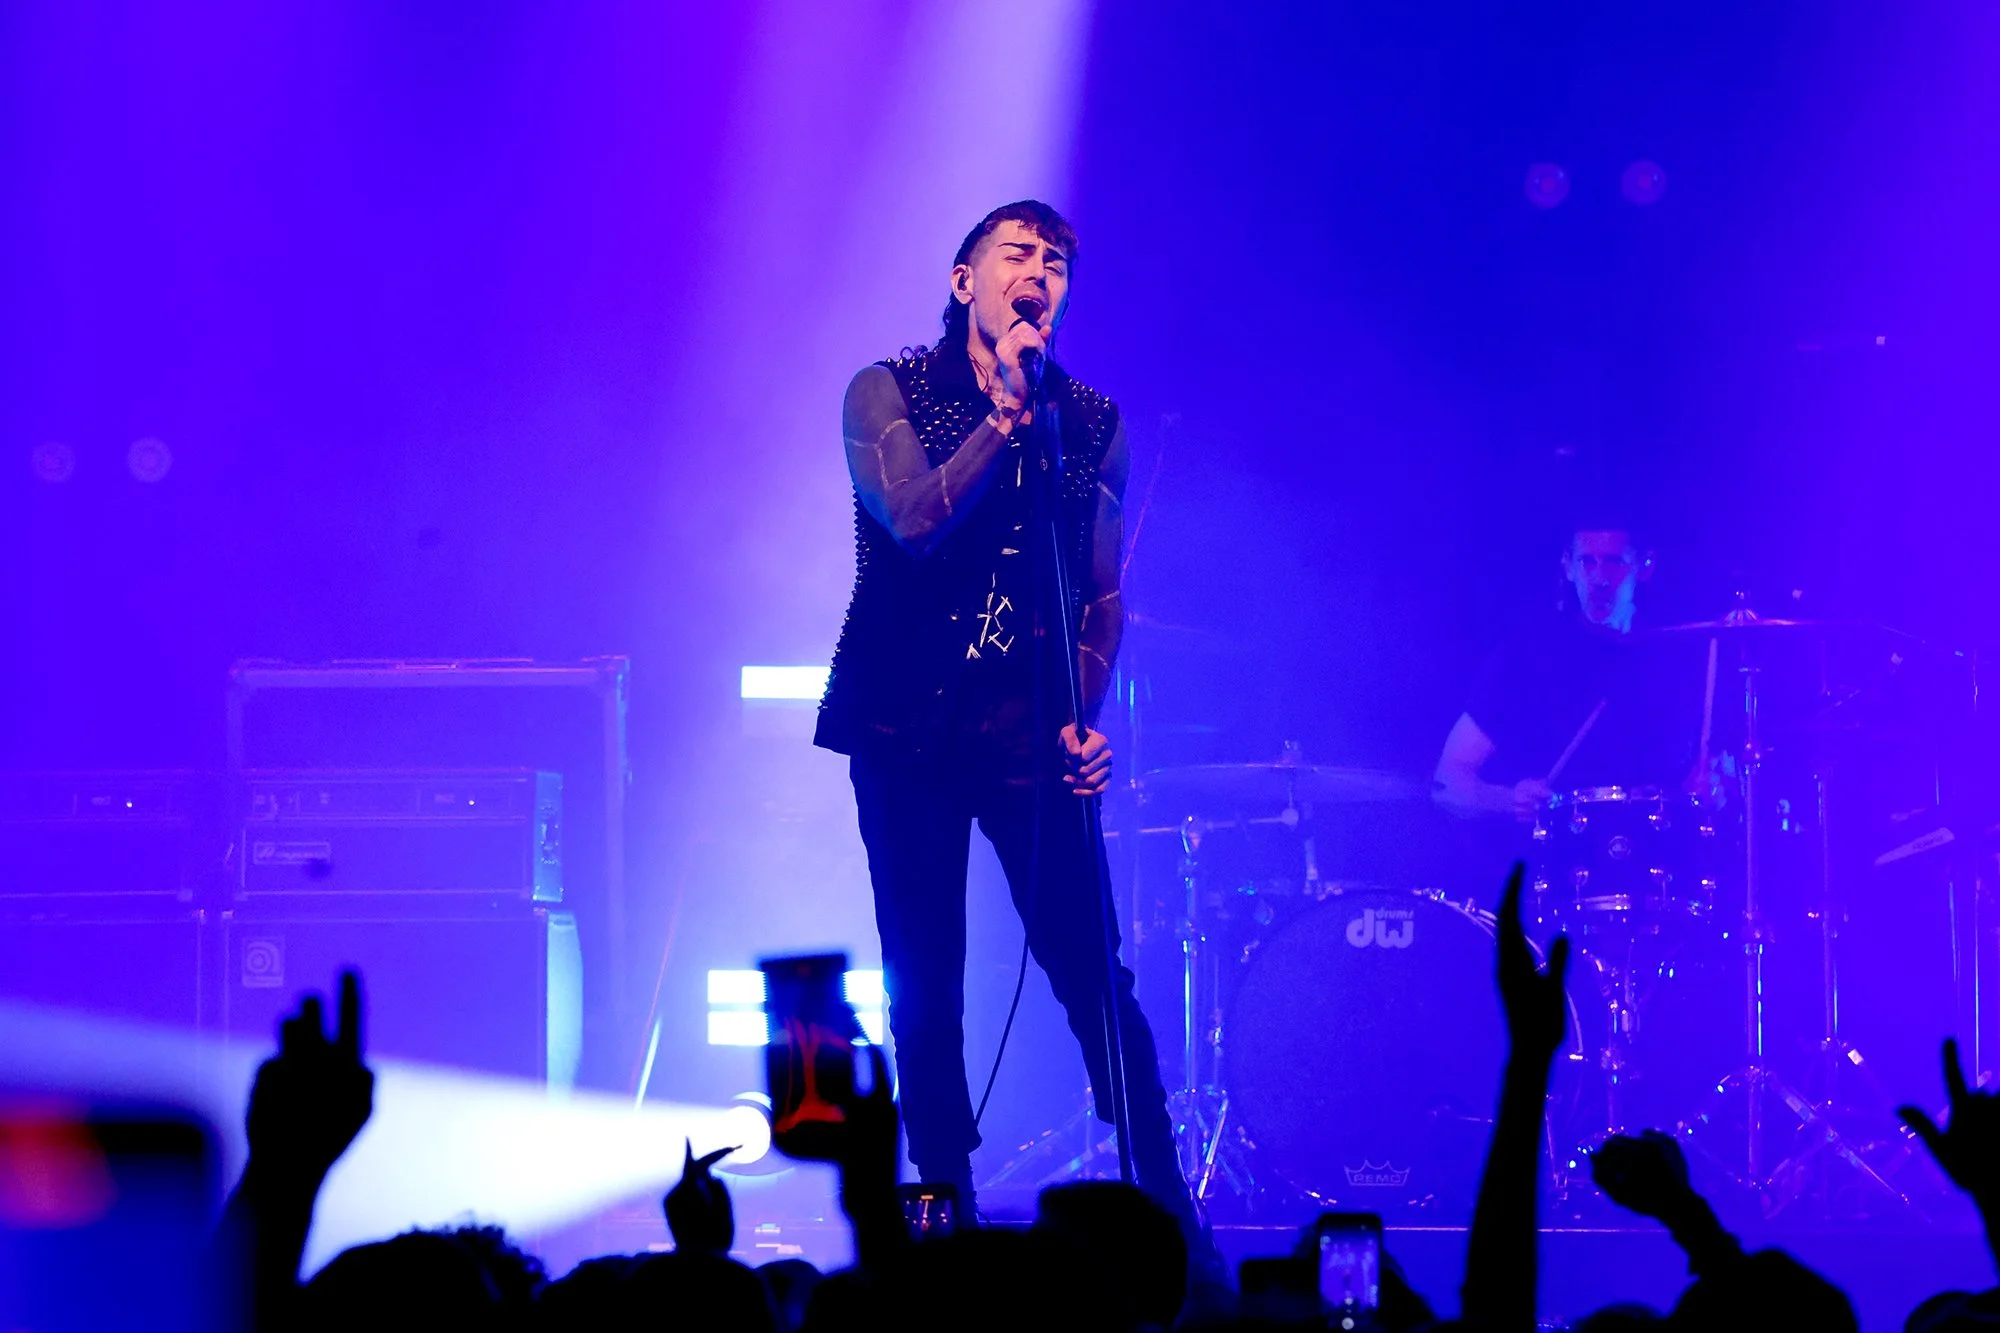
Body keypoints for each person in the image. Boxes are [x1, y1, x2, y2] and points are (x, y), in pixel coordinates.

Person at [813, 200, 1191, 1230]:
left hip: (1027, 728)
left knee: (1091, 969)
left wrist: (1082, 716)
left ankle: (1167, 1213)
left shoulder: (1090, 421)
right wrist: (1004, 417)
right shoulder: (887, 390)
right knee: (924, 976)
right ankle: (943, 1213)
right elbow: (913, 520)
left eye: (1055, 262)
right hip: (904, 727)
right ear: (963, 280)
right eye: (1017, 253)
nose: (1039, 272)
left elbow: (1101, 593)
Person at [1432, 522, 1702, 824]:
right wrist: (1507, 800)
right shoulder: (1528, 656)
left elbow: (1718, 771)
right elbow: (1447, 782)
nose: (1599, 578)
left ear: (1645, 565)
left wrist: (1712, 787)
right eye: (1587, 562)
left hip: (1656, 845)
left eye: (1614, 562)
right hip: (1554, 848)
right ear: (1568, 566)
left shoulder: (1676, 655)